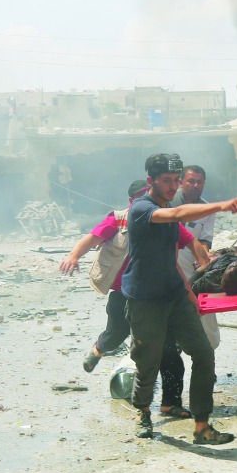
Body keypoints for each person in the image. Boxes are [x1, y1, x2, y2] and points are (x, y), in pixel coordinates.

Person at [124, 153, 237, 444]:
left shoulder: (167, 210)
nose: (172, 186)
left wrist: (192, 291)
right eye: (166, 181)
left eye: (175, 180)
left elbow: (185, 242)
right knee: (148, 361)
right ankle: (143, 412)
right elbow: (179, 215)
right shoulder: (142, 208)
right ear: (150, 181)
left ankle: (202, 425)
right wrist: (221, 205)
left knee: (204, 354)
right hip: (145, 300)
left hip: (174, 295)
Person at [59, 180, 207, 420]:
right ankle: (99, 350)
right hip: (124, 295)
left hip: (157, 299)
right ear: (133, 201)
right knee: (118, 336)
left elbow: (191, 241)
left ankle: (170, 403)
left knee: (169, 352)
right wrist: (74, 256)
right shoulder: (119, 220)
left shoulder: (165, 220)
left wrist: (205, 265)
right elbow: (92, 238)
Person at [171, 164, 221, 349]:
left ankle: (208, 357)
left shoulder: (207, 210)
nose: (195, 185)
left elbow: (205, 239)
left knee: (205, 313)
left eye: (199, 182)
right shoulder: (166, 205)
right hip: (166, 269)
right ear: (181, 182)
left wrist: (205, 254)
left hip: (193, 266)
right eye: (191, 181)